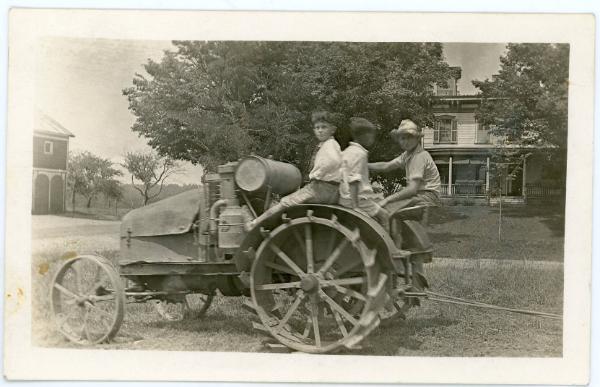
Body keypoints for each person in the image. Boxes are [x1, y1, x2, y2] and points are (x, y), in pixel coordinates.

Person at [245, 111, 342, 230]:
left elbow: (333, 161)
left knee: (284, 202)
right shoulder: (331, 144)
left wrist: (317, 174)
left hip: (319, 188)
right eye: (317, 128)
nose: (320, 130)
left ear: (333, 129)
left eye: (324, 127)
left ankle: (254, 223)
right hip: (330, 190)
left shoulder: (329, 144)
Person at [369, 119, 442, 212]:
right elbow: (386, 166)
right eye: (403, 138)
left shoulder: (419, 156)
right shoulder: (407, 155)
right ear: (399, 140)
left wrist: (387, 200)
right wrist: (366, 165)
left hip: (427, 197)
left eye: (409, 137)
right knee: (387, 207)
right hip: (419, 195)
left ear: (417, 138)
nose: (406, 141)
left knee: (389, 210)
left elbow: (412, 189)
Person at [339, 117, 390, 231]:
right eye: (371, 135)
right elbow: (354, 180)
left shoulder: (347, 152)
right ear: (363, 135)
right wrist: (355, 206)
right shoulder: (360, 154)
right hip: (356, 199)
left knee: (379, 206)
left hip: (344, 197)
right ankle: (386, 247)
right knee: (384, 215)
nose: (373, 138)